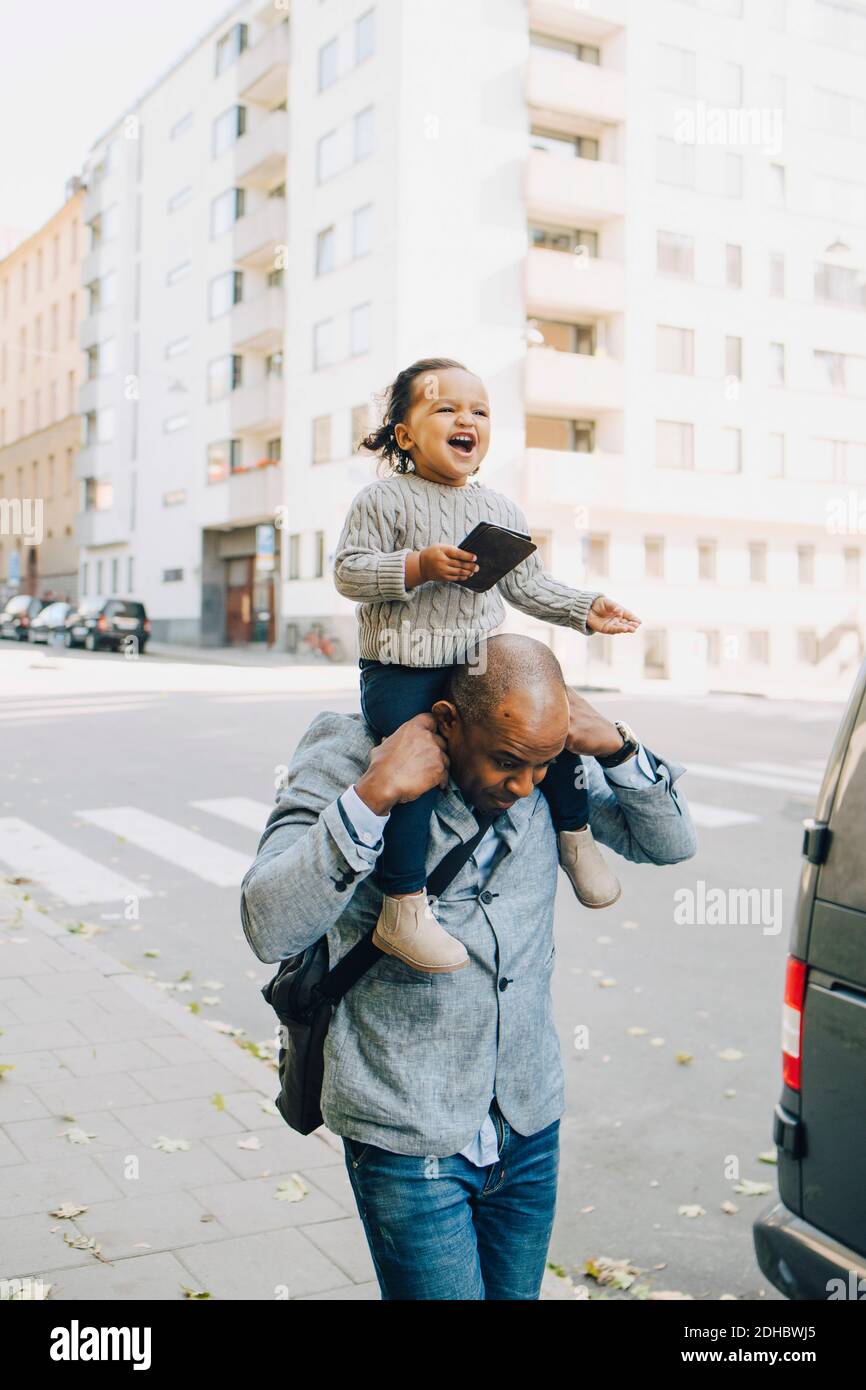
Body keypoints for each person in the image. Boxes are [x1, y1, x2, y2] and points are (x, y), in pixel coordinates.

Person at [240, 634, 697, 1300]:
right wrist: (372, 796)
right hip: (405, 1130)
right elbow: (266, 920)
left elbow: (672, 842)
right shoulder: (349, 752)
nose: (523, 787)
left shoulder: (543, 756)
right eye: (507, 763)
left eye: (539, 768)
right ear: (451, 721)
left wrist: (618, 747)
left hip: (528, 1120)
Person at [334, 357, 642, 973]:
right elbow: (349, 572)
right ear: (405, 434)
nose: (465, 419)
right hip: (402, 669)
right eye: (445, 407)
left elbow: (526, 587)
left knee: (543, 727)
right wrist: (418, 565)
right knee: (416, 766)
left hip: (477, 663)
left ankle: (575, 839)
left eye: (478, 410)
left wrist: (587, 608)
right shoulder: (382, 500)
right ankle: (403, 907)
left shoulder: (500, 508)